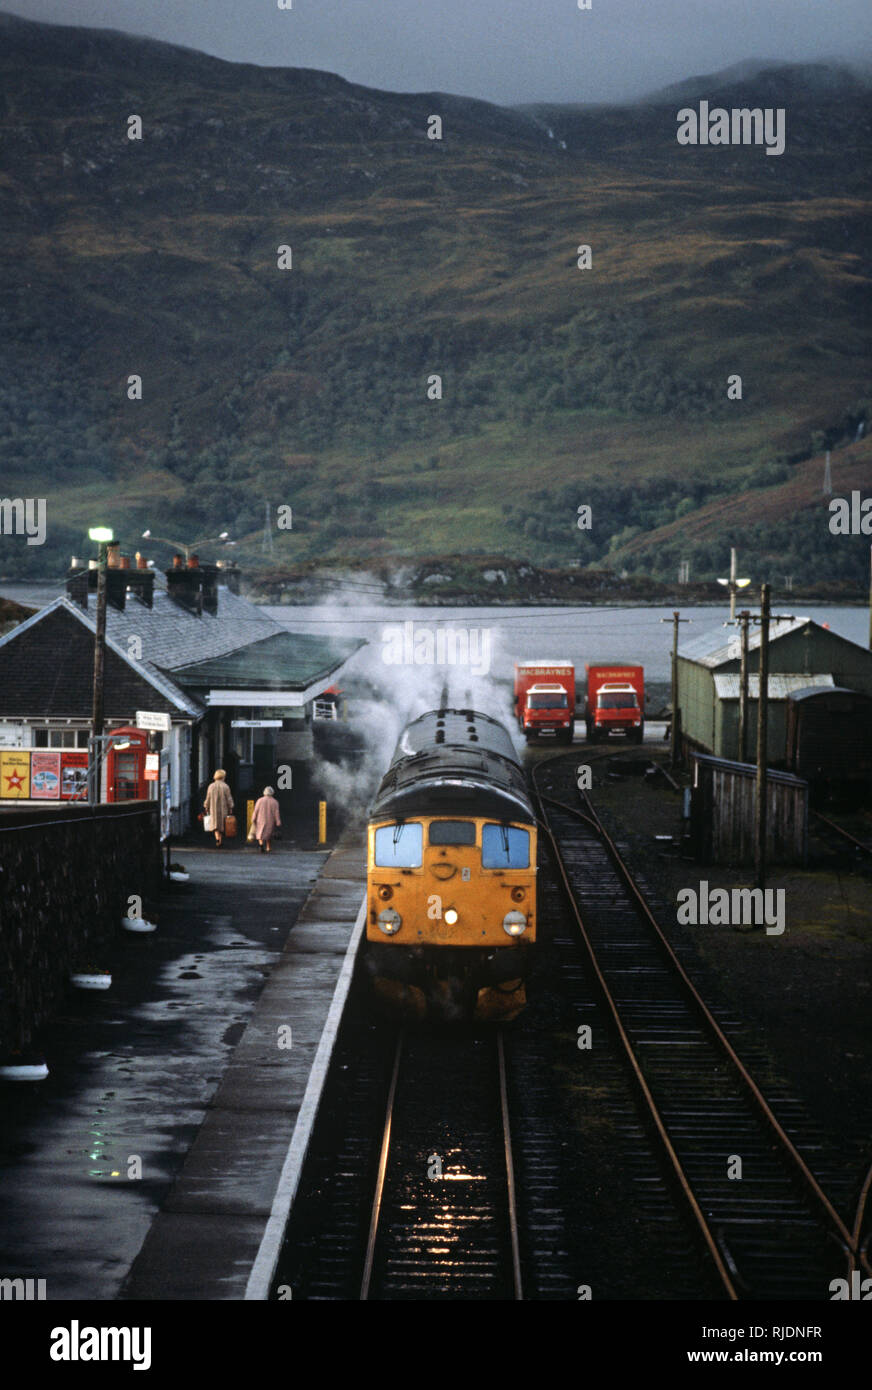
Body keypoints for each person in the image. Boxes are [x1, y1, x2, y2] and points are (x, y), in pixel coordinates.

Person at [203, 769, 234, 847]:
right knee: (222, 824)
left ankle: (217, 839)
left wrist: (206, 806)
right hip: (223, 808)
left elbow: (208, 797)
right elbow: (229, 798)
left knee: (215, 824)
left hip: (213, 808)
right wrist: (231, 807)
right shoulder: (225, 786)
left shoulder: (211, 786)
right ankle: (220, 840)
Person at [250, 785, 281, 853]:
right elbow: (276, 812)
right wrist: (278, 821)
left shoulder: (259, 800)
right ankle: (268, 847)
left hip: (260, 819)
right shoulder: (275, 802)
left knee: (260, 833)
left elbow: (256, 810)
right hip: (270, 820)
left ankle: (261, 845)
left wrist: (253, 818)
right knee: (269, 834)